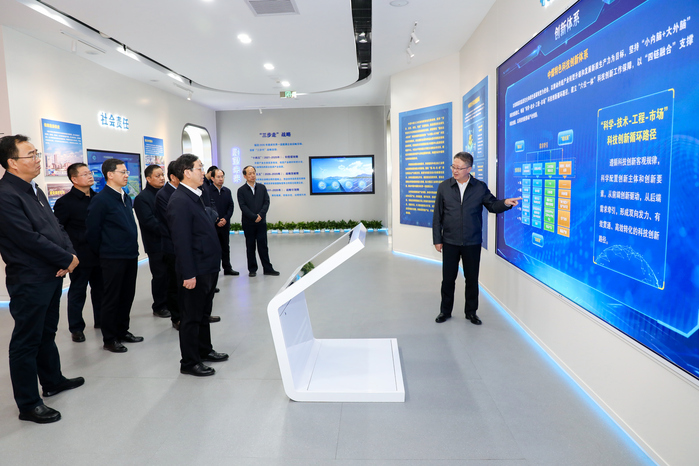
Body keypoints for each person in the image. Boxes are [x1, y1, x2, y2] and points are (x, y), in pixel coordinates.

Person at [0, 134, 84, 424]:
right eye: (31, 155)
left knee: (47, 332)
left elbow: (56, 227)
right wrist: (64, 259)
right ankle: (28, 403)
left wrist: (69, 255)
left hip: (51, 273)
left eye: (37, 153)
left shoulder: (34, 190)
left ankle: (52, 381)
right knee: (26, 340)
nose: (38, 160)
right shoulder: (5, 195)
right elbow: (26, 238)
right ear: (12, 163)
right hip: (30, 278)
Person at [432, 152, 521, 325]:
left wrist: (505, 203)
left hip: (472, 242)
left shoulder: (480, 187)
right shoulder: (444, 187)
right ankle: (445, 311)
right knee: (448, 279)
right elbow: (437, 216)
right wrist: (437, 239)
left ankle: (471, 312)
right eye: (453, 166)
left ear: (469, 169)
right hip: (450, 241)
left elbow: (492, 205)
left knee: (471, 279)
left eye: (459, 168)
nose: (455, 170)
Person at [166, 154, 228, 377]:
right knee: (191, 316)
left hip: (207, 266)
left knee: (203, 313)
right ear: (187, 172)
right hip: (195, 269)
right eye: (200, 168)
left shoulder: (195, 195)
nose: (204, 172)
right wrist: (188, 273)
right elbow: (181, 242)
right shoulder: (180, 201)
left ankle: (204, 350)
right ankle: (190, 362)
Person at [86, 158, 143, 353]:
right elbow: (92, 232)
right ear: (110, 175)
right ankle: (110, 338)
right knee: (112, 297)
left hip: (130, 254)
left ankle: (122, 331)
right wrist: (105, 250)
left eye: (127, 172)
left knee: (127, 295)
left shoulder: (125, 196)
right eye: (123, 172)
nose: (127, 175)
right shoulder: (101, 200)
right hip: (112, 257)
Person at [53, 163, 103, 342]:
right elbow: (59, 231)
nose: (90, 176)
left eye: (90, 173)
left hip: (100, 253)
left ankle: (101, 321)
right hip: (79, 256)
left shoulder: (98, 198)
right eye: (85, 174)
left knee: (101, 290)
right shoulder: (64, 203)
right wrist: (66, 256)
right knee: (78, 292)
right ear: (74, 179)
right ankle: (76, 328)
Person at [134, 164, 170, 319]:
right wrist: (171, 230)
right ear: (148, 179)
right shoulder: (142, 198)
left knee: (171, 274)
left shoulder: (166, 194)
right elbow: (149, 222)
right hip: (155, 243)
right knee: (160, 275)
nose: (162, 178)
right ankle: (159, 306)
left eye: (162, 175)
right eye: (158, 175)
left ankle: (171, 302)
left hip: (170, 241)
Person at [237, 165, 279, 277]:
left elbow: (266, 202)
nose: (252, 175)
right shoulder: (241, 190)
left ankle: (268, 268)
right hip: (248, 223)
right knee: (250, 246)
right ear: (245, 176)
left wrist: (260, 215)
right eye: (249, 173)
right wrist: (253, 216)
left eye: (254, 173)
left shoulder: (262, 187)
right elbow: (243, 206)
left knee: (263, 246)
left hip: (261, 222)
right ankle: (252, 269)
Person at [155, 161, 182, 330]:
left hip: (185, 245)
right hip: (172, 246)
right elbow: (171, 221)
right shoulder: (163, 195)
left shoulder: (185, 191)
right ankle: (177, 317)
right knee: (174, 283)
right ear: (173, 176)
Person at [209, 168, 239, 276]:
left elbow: (231, 206)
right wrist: (217, 220)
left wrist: (225, 219)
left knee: (225, 247)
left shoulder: (227, 191)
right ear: (212, 178)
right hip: (213, 225)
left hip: (225, 224)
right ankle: (214, 271)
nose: (221, 179)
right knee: (214, 249)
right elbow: (208, 208)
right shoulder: (208, 191)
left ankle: (227, 268)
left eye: (222, 176)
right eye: (218, 177)